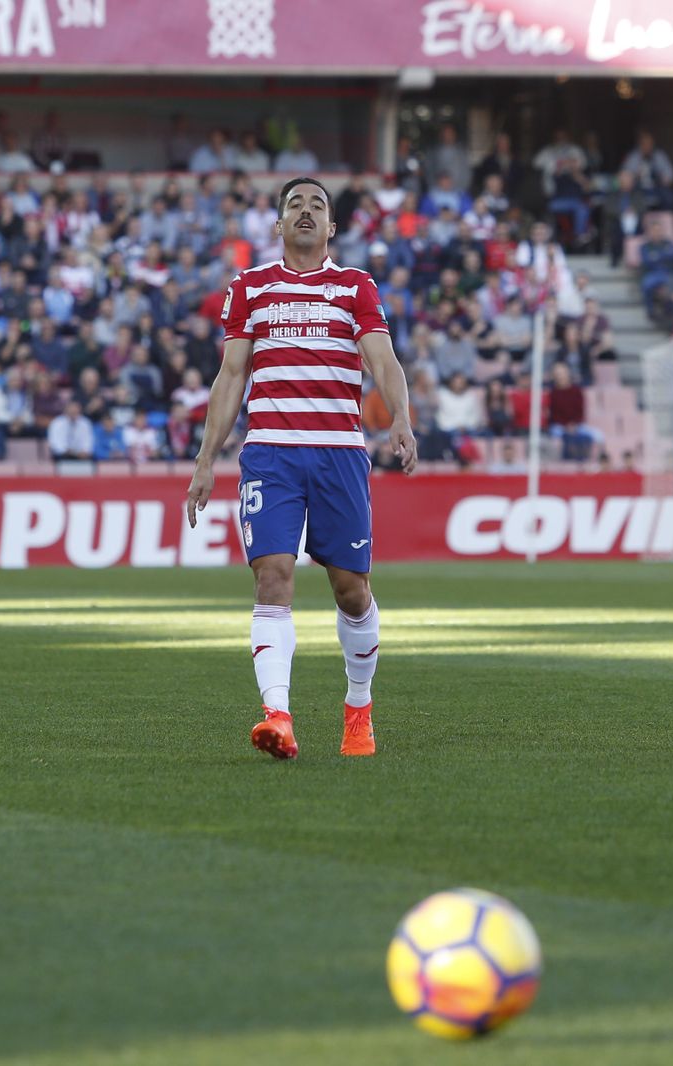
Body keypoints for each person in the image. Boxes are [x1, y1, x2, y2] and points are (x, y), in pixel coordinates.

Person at [185, 176, 417, 761]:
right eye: (295, 204)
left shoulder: (355, 286)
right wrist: (206, 458)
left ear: (332, 227)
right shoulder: (251, 288)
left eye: (318, 205)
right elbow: (231, 376)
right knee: (272, 580)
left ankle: (357, 709)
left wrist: (401, 420)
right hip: (271, 456)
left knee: (351, 592)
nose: (307, 212)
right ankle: (278, 716)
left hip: (340, 455)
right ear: (279, 224)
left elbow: (382, 360)